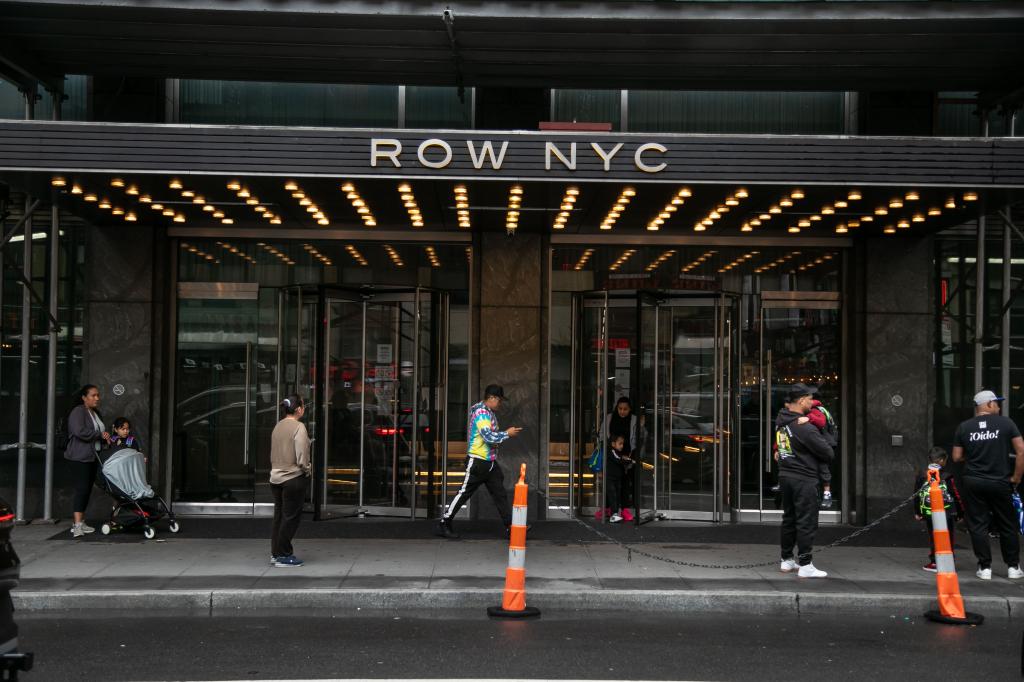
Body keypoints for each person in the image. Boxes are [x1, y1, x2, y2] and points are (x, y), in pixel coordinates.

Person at [951, 389, 1024, 580]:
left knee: (978, 524)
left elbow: (957, 457)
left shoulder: (964, 427)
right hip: (1000, 481)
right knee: (1007, 524)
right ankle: (1013, 567)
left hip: (974, 481)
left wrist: (974, 455)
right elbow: (1021, 451)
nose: (999, 406)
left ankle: (985, 568)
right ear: (989, 404)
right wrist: (1016, 478)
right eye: (997, 403)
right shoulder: (1006, 423)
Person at [435, 384, 522, 539]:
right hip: (478, 461)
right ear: (492, 398)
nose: (500, 404)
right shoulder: (482, 413)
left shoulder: (486, 411)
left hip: (489, 461)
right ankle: (444, 523)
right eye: (499, 400)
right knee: (464, 493)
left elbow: (489, 438)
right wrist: (507, 433)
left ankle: (510, 527)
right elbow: (488, 436)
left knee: (499, 494)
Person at [776, 383, 835, 578]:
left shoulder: (781, 421)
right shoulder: (805, 428)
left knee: (789, 519)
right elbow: (828, 452)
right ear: (801, 400)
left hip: (786, 476)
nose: (812, 402)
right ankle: (806, 564)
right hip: (804, 478)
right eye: (809, 399)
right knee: (806, 521)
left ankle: (786, 560)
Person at [269, 394, 311, 567]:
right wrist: (307, 469)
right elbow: (302, 456)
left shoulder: (277, 426)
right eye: (303, 406)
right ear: (299, 409)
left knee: (279, 517)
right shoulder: (299, 427)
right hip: (293, 477)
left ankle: (275, 553)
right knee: (291, 517)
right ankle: (285, 555)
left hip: (275, 478)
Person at [65, 384, 109, 538]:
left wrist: (105, 438)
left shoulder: (94, 413)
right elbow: (79, 431)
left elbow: (98, 433)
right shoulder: (78, 411)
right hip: (79, 457)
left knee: (87, 489)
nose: (97, 398)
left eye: (98, 395)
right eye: (93, 395)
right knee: (82, 489)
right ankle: (76, 525)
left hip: (92, 456)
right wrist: (99, 435)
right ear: (84, 397)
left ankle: (81, 521)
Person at [913, 447, 964, 572]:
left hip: (929, 512)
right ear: (942, 460)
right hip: (946, 513)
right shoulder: (947, 476)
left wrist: (918, 512)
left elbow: (917, 495)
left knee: (933, 536)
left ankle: (935, 562)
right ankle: (948, 562)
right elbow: (955, 494)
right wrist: (960, 513)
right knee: (948, 536)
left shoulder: (922, 475)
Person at [601, 396, 643, 521]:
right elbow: (603, 435)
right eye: (620, 408)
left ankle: (624, 509)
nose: (622, 411)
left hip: (629, 455)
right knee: (611, 485)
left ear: (630, 409)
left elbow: (640, 437)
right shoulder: (609, 418)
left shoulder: (634, 420)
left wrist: (633, 455)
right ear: (616, 408)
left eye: (625, 409)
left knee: (625, 484)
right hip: (612, 456)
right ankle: (609, 509)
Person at [805, 396, 838, 508]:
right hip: (820, 444)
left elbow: (821, 422)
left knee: (822, 468)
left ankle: (826, 494)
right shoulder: (820, 408)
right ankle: (823, 494)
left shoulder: (814, 409)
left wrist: (808, 417)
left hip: (821, 445)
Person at [606, 434, 635, 523]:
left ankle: (614, 513)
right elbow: (618, 459)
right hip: (611, 478)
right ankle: (613, 514)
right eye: (620, 444)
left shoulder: (617, 452)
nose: (622, 446)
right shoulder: (612, 451)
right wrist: (630, 460)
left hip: (617, 478)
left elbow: (620, 458)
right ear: (613, 444)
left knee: (617, 495)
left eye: (622, 444)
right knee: (613, 495)